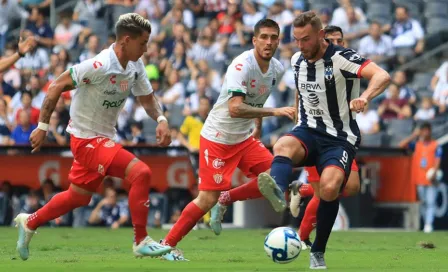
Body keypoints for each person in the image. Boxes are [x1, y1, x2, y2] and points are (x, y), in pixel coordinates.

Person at [13, 13, 172, 261]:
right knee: (141, 173)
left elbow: (147, 98)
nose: (146, 49)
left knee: (79, 197)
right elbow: (55, 86)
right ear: (126, 41)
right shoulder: (98, 65)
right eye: (142, 43)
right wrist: (43, 126)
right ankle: (141, 240)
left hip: (104, 137)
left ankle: (30, 222)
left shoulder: (135, 66)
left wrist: (161, 120)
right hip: (86, 140)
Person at [260, 12, 390, 269]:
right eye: (296, 40)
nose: (300, 46)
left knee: (331, 188)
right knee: (282, 145)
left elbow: (382, 76)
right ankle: (279, 189)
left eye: (305, 39)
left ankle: (317, 251)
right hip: (309, 130)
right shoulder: (297, 59)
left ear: (320, 35)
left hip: (339, 138)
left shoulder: (342, 58)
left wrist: (366, 97)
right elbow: (302, 91)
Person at [159, 19, 295, 261]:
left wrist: (258, 128)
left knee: (278, 178)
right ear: (254, 40)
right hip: (218, 138)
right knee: (206, 199)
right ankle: (166, 246)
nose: (269, 42)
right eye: (263, 37)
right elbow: (235, 108)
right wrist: (275, 113)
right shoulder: (242, 65)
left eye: (274, 37)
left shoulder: (276, 68)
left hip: (244, 138)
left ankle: (227, 198)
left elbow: (257, 101)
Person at [399, 123, 443, 233]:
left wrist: (434, 171)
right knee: (423, 202)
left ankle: (428, 224)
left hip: (431, 179)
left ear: (430, 131)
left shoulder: (435, 145)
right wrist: (414, 135)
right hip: (419, 178)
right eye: (423, 130)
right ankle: (426, 223)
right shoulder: (417, 144)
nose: (425, 133)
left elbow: (438, 159)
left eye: (427, 130)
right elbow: (402, 145)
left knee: (431, 202)